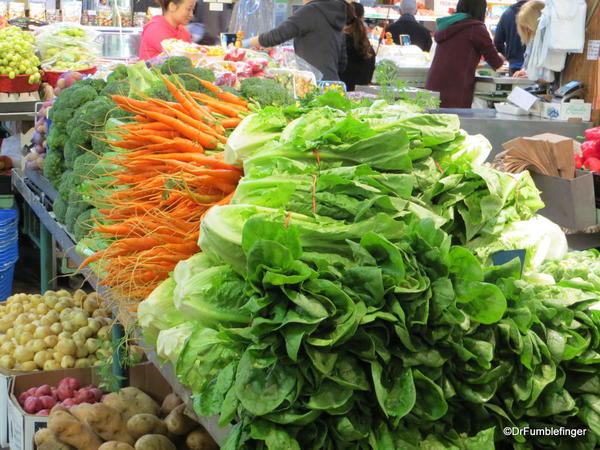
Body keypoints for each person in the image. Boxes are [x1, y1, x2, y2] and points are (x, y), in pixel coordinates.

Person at [425, 0, 504, 108]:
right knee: (456, 122)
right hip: (455, 89)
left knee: (433, 122)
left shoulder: (447, 25)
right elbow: (496, 62)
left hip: (433, 86)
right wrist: (503, 57)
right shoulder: (476, 28)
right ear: (481, 10)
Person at [245, 0, 347, 81]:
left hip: (312, 82)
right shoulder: (337, 14)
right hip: (333, 82)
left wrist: (245, 43)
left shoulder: (311, 11)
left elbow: (277, 35)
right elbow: (343, 63)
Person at [340, 2, 376, 91]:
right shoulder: (367, 46)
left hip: (341, 95)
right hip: (363, 97)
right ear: (362, 17)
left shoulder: (339, 42)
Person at [494, 0, 528, 75]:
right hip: (534, 66)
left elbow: (497, 41)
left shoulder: (506, 14)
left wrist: (507, 54)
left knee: (515, 86)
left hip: (514, 64)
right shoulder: (536, 11)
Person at [513, 0, 545, 77]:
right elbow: (527, 65)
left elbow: (548, 76)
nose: (527, 31)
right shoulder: (532, 41)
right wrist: (523, 71)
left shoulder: (547, 43)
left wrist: (530, 75)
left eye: (527, 27)